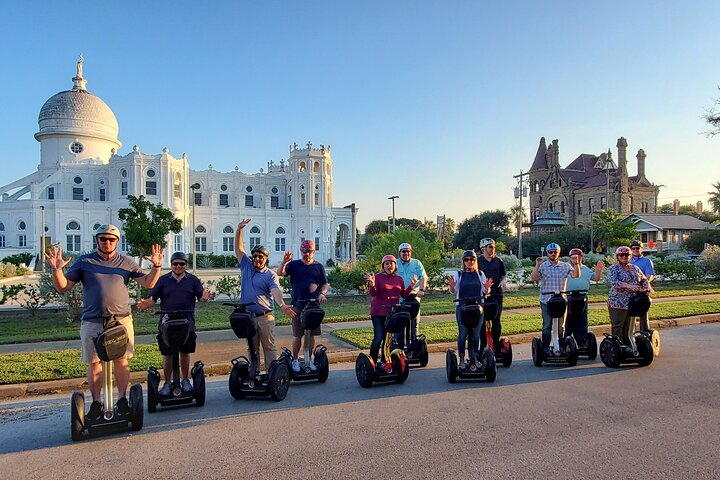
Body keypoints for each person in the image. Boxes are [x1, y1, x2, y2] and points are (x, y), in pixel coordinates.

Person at [45, 224, 163, 420]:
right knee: (94, 362)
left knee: (121, 360)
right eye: (103, 239)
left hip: (120, 320)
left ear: (117, 241)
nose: (107, 242)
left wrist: (157, 266)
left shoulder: (126, 262)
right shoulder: (84, 262)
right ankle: (97, 402)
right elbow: (63, 287)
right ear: (97, 240)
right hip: (92, 321)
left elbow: (148, 283)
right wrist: (57, 270)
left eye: (111, 239)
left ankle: (123, 399)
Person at [137, 251, 212, 395]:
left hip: (187, 322)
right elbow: (152, 298)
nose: (178, 266)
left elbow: (201, 297)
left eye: (181, 264)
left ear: (185, 265)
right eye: (175, 263)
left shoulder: (192, 280)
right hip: (167, 323)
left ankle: (185, 380)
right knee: (168, 354)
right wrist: (147, 303)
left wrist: (204, 297)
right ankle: (167, 382)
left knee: (185, 353)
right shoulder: (163, 280)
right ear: (171, 265)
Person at [234, 219, 294, 372]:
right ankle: (253, 374)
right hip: (248, 317)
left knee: (268, 347)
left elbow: (275, 291)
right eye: (255, 256)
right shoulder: (246, 267)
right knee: (252, 348)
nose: (257, 259)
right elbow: (239, 249)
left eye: (261, 257)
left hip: (265, 317)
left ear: (266, 259)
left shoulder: (270, 275)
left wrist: (282, 305)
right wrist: (239, 230)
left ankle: (271, 374)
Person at [277, 239, 330, 373]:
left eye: (309, 251)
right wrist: (284, 262)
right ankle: (295, 359)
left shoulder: (318, 266)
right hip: (298, 304)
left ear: (313, 251)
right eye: (304, 251)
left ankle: (309, 358)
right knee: (297, 334)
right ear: (301, 251)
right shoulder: (294, 265)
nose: (306, 254)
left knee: (311, 334)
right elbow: (280, 273)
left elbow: (325, 283)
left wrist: (322, 293)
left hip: (313, 306)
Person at [365, 255, 417, 367]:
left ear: (395, 266)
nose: (389, 266)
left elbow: (403, 294)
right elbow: (373, 293)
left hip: (392, 313)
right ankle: (372, 362)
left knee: (387, 339)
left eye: (391, 263)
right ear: (383, 266)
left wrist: (411, 286)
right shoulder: (378, 277)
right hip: (378, 313)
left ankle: (385, 360)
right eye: (387, 264)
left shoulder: (398, 279)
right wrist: (372, 284)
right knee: (379, 336)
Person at [529, 242, 581, 356]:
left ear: (559, 253)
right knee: (547, 325)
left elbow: (576, 275)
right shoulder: (543, 266)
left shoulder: (565, 266)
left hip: (561, 300)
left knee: (561, 326)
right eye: (550, 252)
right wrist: (537, 265)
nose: (553, 254)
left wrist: (576, 264)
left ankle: (561, 346)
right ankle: (546, 347)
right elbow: (533, 278)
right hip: (546, 300)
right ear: (547, 253)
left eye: (555, 252)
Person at [447, 250, 494, 369]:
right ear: (463, 262)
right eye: (467, 260)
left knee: (476, 335)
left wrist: (487, 288)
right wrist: (451, 287)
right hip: (462, 308)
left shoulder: (480, 274)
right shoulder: (460, 274)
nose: (469, 262)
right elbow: (453, 291)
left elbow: (485, 292)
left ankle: (475, 358)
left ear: (475, 261)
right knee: (463, 334)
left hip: (478, 307)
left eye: (472, 259)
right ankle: (462, 359)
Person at [608, 246, 653, 353]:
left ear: (630, 256)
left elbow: (643, 279)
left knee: (629, 326)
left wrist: (646, 286)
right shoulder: (613, 268)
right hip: (617, 302)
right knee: (618, 325)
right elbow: (614, 282)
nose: (624, 257)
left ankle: (629, 345)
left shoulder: (635, 268)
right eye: (621, 255)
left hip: (632, 302)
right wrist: (629, 286)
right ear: (617, 256)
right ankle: (618, 348)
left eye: (627, 255)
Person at [565, 248, 605, 346]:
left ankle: (581, 340)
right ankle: (566, 340)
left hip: (582, 296)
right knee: (568, 319)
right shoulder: (565, 268)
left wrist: (598, 271)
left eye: (578, 257)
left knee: (582, 320)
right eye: (574, 257)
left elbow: (595, 278)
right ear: (570, 258)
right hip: (568, 296)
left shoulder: (585, 269)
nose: (576, 259)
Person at [476, 238, 508, 352]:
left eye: (493, 247)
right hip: (482, 296)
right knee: (481, 321)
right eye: (490, 247)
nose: (492, 249)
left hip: (496, 295)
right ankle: (483, 346)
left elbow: (503, 275)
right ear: (483, 248)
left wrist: (503, 282)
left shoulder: (498, 261)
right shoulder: (477, 262)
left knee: (496, 321)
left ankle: (496, 345)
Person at [394, 242, 429, 347]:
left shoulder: (416, 263)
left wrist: (422, 289)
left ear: (411, 252)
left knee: (414, 324)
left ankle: (413, 347)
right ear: (400, 253)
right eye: (403, 252)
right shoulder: (395, 263)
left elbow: (423, 277)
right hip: (400, 298)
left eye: (408, 251)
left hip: (414, 297)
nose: (406, 254)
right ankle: (398, 349)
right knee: (399, 324)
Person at [629, 240, 655, 331]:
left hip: (642, 291)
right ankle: (631, 334)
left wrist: (645, 284)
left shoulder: (647, 261)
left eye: (637, 248)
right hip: (630, 290)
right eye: (633, 248)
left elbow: (650, 274)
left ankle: (645, 334)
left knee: (643, 314)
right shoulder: (628, 260)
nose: (635, 250)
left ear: (642, 249)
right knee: (630, 314)